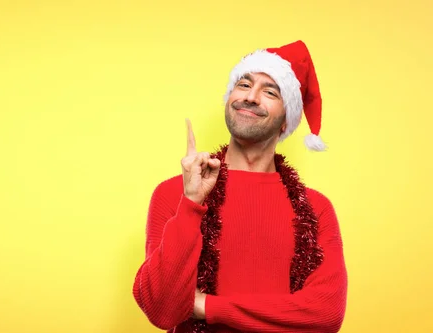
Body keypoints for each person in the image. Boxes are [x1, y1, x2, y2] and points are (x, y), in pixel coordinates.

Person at [132, 40, 348, 333]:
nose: (251, 97)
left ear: (287, 121)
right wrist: (191, 204)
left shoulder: (316, 208)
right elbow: (162, 310)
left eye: (270, 91)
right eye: (244, 85)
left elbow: (325, 314)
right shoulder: (176, 193)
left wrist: (206, 306)